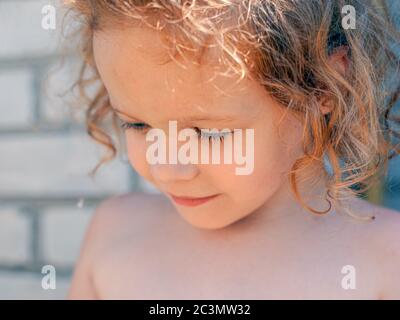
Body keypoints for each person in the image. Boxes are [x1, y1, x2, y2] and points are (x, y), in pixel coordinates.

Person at [65, 0, 400, 299]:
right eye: (138, 125)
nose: (166, 167)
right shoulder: (113, 234)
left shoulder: (387, 260)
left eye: (210, 133)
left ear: (323, 88)